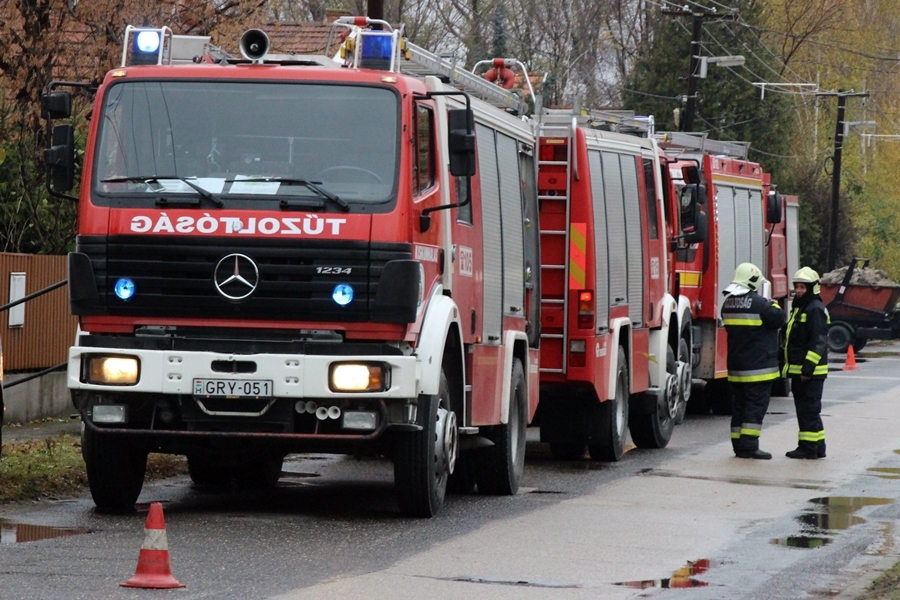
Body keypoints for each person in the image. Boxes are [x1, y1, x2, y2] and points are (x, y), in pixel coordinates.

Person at [721, 263, 787, 459]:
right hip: (758, 369)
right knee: (754, 408)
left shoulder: (728, 303)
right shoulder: (760, 303)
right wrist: (773, 303)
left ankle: (738, 445)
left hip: (736, 367)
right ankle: (749, 447)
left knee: (739, 408)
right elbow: (780, 319)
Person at [783, 267, 829, 459]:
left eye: (803, 287)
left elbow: (818, 341)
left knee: (807, 410)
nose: (799, 290)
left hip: (809, 372)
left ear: (812, 289)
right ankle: (817, 446)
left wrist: (807, 369)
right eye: (797, 287)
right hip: (803, 371)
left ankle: (808, 448)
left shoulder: (815, 309)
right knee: (809, 410)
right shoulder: (802, 307)